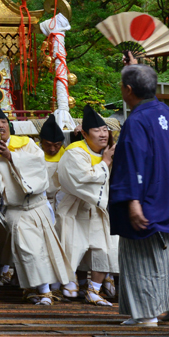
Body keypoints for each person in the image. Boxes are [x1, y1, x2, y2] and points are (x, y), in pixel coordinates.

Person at [109, 59, 169, 327]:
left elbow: (132, 162)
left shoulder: (137, 120)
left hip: (146, 197)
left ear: (128, 89)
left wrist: (134, 202)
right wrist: (137, 69)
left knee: (140, 257)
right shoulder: (162, 111)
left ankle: (145, 314)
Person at [0, 99, 72, 305]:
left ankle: (37, 289)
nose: (1, 125)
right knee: (29, 250)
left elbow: (37, 167)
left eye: (3, 121)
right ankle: (43, 291)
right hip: (16, 210)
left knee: (45, 248)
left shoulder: (26, 143)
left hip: (39, 205)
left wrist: (8, 155)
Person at [55, 104, 119, 305]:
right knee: (72, 246)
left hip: (100, 209)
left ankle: (94, 289)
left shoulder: (110, 151)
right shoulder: (75, 152)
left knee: (104, 248)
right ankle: (68, 282)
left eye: (104, 130)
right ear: (84, 133)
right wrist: (105, 162)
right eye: (97, 130)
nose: (102, 134)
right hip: (76, 206)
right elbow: (81, 179)